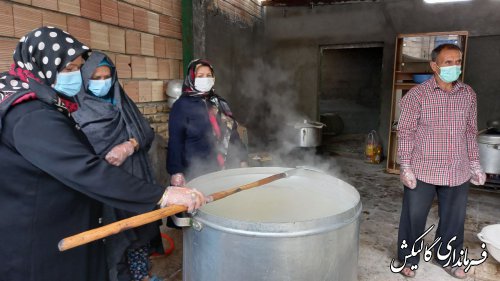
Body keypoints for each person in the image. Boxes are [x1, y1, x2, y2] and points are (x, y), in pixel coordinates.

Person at [0, 26, 208, 281]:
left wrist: (131, 145)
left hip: (69, 216)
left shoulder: (36, 99)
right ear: (40, 66)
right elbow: (86, 169)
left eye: (78, 67)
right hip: (41, 237)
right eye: (68, 69)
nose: (75, 75)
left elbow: (144, 131)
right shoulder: (32, 116)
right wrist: (163, 194)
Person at [396, 43, 486, 279]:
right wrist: (405, 165)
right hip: (423, 168)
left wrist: (475, 163)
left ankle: (446, 257)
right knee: (414, 217)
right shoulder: (416, 96)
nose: (454, 67)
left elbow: (470, 131)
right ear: (434, 66)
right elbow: (405, 132)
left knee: (454, 220)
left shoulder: (468, 94)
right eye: (448, 62)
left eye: (458, 62)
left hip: (457, 169)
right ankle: (408, 258)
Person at [72, 51, 162, 281]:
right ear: (84, 78)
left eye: (106, 77)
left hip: (138, 179)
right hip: (106, 188)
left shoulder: (122, 100)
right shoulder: (77, 109)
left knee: (141, 230)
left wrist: (130, 145)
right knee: (115, 238)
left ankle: (141, 276)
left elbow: (146, 132)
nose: (102, 83)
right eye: (96, 77)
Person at [167, 59, 248, 186]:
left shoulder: (217, 102)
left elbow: (232, 133)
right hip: (196, 171)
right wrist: (176, 171)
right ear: (192, 78)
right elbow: (176, 141)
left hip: (225, 168)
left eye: (209, 75)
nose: (205, 79)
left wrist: (242, 159)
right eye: (200, 76)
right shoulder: (182, 106)